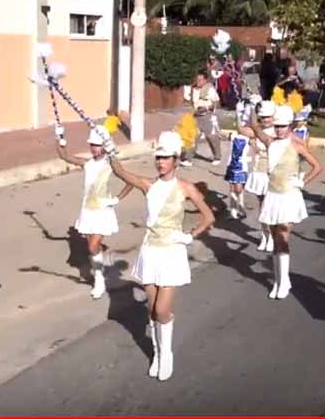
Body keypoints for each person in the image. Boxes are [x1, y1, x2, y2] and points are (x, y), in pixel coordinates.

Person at [107, 129, 215, 382]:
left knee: (162, 309)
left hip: (172, 253)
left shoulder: (186, 188)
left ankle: (166, 354)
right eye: (158, 157)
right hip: (150, 251)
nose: (160, 162)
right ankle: (157, 353)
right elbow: (121, 172)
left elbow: (208, 216)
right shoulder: (149, 185)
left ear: (176, 159)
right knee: (152, 311)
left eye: (166, 158)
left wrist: (189, 236)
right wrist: (111, 150)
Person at [248, 105, 324, 300]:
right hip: (273, 194)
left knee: (283, 237)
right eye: (277, 126)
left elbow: (317, 166)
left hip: (289, 196)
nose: (279, 129)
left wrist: (302, 182)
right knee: (275, 239)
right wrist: (252, 106)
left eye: (283, 126)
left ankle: (283, 282)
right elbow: (255, 127)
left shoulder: (297, 144)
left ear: (289, 126)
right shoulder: (270, 142)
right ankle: (280, 280)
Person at [54, 116, 133, 299]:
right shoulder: (87, 163)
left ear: (105, 145)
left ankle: (98, 278)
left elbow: (130, 182)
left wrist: (116, 200)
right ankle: (100, 272)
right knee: (93, 248)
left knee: (92, 247)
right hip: (87, 211)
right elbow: (64, 156)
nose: (93, 148)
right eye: (92, 145)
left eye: (97, 145)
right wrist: (59, 138)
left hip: (103, 211)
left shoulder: (111, 164)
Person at [245, 100, 276, 251]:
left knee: (269, 205)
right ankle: (264, 234)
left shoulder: (277, 132)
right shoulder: (256, 131)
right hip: (258, 171)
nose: (266, 120)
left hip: (271, 172)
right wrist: (249, 108)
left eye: (269, 117)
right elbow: (241, 128)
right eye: (263, 117)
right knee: (262, 206)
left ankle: (272, 236)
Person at [224, 100, 256, 220]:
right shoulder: (235, 133)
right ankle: (233, 210)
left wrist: (250, 110)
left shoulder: (250, 134)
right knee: (232, 187)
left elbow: (244, 129)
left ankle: (241, 208)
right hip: (232, 163)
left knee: (239, 187)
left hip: (242, 165)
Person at [182, 70, 222, 166]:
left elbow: (217, 103)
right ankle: (188, 159)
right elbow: (189, 102)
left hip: (207, 115)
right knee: (192, 137)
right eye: (197, 79)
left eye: (200, 80)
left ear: (205, 80)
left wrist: (207, 107)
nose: (198, 81)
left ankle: (217, 157)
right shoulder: (193, 89)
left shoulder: (210, 89)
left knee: (211, 137)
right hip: (196, 115)